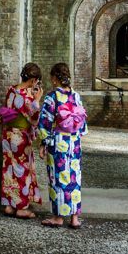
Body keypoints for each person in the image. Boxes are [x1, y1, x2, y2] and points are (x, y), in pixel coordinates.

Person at [38, 62, 87, 229]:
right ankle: (74, 218)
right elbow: (82, 124)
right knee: (74, 178)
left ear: (54, 79)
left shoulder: (52, 97)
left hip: (58, 142)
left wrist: (43, 142)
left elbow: (45, 122)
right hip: (74, 142)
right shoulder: (76, 96)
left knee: (58, 178)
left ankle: (58, 217)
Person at [0, 63, 44, 219]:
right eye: (36, 81)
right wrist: (37, 99)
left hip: (7, 135)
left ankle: (9, 205)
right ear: (33, 80)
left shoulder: (11, 90)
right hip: (20, 137)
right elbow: (34, 118)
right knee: (22, 170)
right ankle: (21, 207)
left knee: (9, 169)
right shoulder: (27, 96)